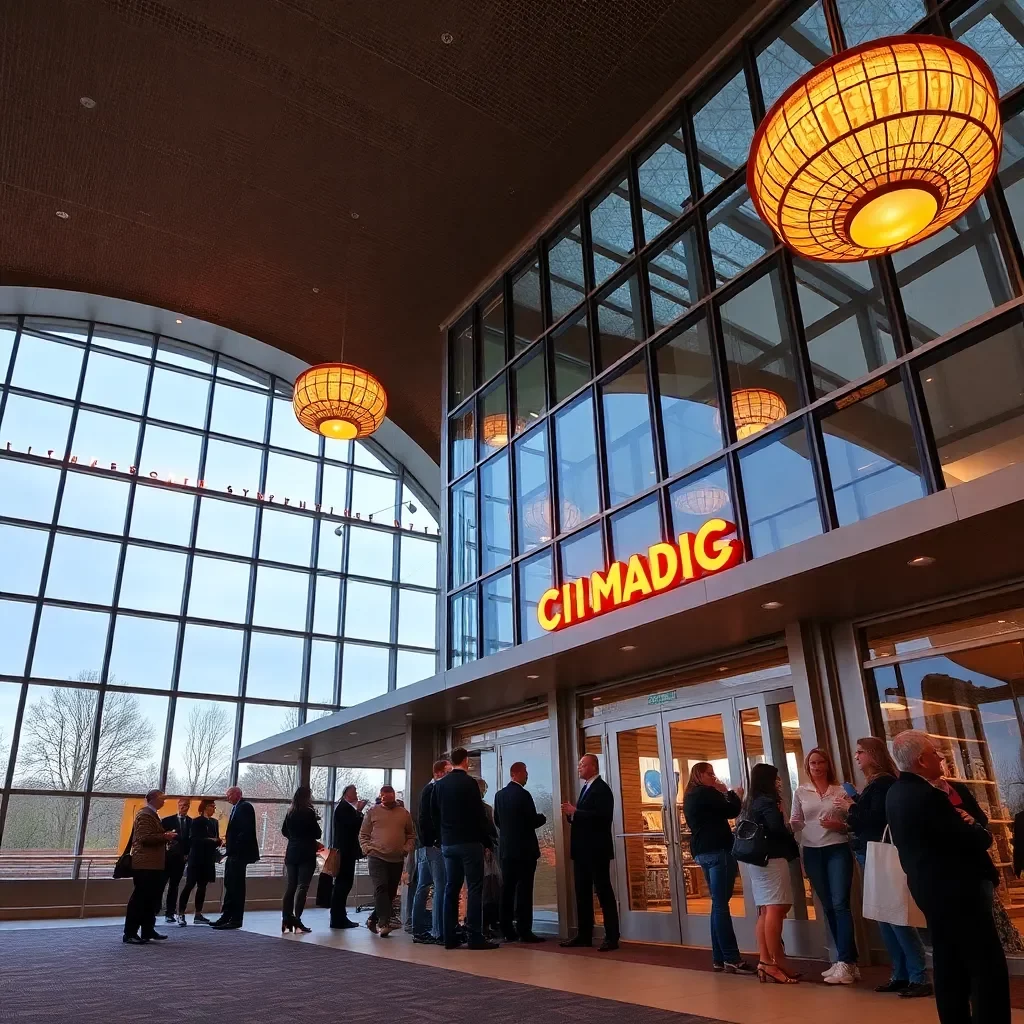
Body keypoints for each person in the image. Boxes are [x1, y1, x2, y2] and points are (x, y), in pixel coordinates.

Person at [887, 729, 1009, 1024]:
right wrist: (975, 829)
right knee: (985, 964)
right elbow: (973, 840)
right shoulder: (926, 796)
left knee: (949, 961)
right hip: (956, 891)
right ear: (921, 761)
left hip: (930, 889)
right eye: (933, 753)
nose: (939, 757)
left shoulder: (896, 793)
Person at [846, 737, 930, 998]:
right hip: (870, 851)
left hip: (880, 852)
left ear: (872, 754)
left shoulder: (883, 783)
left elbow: (874, 821)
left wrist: (851, 807)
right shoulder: (875, 784)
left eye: (860, 752)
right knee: (883, 915)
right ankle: (900, 973)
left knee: (895, 914)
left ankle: (917, 975)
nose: (857, 757)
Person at [790, 748, 858, 985]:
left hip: (837, 848)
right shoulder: (801, 791)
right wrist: (792, 824)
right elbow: (796, 821)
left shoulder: (841, 790)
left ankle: (846, 962)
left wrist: (840, 826)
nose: (816, 767)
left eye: (820, 762)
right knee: (828, 906)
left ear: (828, 765)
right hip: (811, 851)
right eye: (812, 764)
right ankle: (845, 961)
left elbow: (855, 821)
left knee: (840, 904)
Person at [682, 762, 752, 973]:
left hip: (702, 851)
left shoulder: (690, 796)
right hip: (718, 850)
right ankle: (732, 957)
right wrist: (731, 792)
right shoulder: (707, 793)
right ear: (699, 775)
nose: (714, 778)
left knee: (717, 904)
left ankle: (718, 957)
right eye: (710, 774)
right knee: (721, 905)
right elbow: (732, 810)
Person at [430, 746, 498, 950]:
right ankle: (475, 936)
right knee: (475, 887)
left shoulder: (440, 785)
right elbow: (479, 815)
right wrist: (488, 840)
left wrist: (441, 837)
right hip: (469, 843)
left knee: (451, 887)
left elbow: (434, 814)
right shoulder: (469, 784)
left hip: (448, 843)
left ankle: (449, 936)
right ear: (466, 761)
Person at [742, 763, 799, 984]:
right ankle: (776, 962)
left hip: (757, 861)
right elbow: (776, 829)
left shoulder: (751, 802)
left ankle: (766, 961)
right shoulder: (767, 801)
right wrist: (791, 825)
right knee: (775, 908)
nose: (779, 781)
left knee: (766, 909)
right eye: (776, 778)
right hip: (771, 860)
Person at [560, 752, 620, 952]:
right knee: (582, 892)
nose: (579, 768)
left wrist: (576, 812)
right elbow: (584, 817)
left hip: (596, 850)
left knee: (603, 891)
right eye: (578, 765)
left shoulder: (601, 789)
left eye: (582, 765)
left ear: (594, 767)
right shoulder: (586, 788)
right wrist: (573, 815)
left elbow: (602, 818)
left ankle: (612, 936)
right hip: (582, 851)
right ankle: (584, 934)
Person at [493, 761, 546, 943]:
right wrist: (542, 818)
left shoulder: (499, 796)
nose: (527, 776)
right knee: (524, 890)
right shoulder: (523, 795)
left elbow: (497, 821)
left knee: (507, 890)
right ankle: (525, 930)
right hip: (525, 850)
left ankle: (507, 929)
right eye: (525, 772)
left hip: (507, 850)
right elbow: (531, 820)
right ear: (516, 774)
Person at [360, 784, 415, 937]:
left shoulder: (404, 813)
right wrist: (367, 848)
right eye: (384, 796)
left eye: (390, 796)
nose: (387, 799)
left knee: (390, 893)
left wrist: (406, 848)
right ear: (380, 796)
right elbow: (363, 834)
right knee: (381, 887)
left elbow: (411, 834)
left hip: (396, 858)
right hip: (376, 856)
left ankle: (373, 918)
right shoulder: (372, 812)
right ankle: (384, 923)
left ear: (394, 796)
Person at [123, 788, 177, 945]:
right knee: (140, 899)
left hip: (154, 864)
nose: (164, 800)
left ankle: (147, 929)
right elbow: (144, 838)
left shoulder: (152, 814)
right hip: (145, 864)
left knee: (151, 899)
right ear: (152, 798)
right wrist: (165, 836)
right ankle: (130, 933)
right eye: (161, 798)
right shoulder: (145, 814)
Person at [413, 759, 451, 944]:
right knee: (440, 886)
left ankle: (418, 929)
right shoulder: (433, 790)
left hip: (425, 846)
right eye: (448, 771)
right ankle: (437, 930)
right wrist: (434, 841)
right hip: (432, 846)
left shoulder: (428, 789)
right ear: (439, 773)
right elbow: (426, 818)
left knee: (423, 886)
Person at [212, 785, 259, 929]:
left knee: (236, 887)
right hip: (233, 853)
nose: (227, 798)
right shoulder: (236, 808)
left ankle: (236, 919)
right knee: (229, 884)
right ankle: (226, 915)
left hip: (239, 854)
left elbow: (245, 831)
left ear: (238, 794)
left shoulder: (245, 807)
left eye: (229, 795)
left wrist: (235, 846)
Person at [281, 785, 322, 934]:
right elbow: (317, 833)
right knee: (302, 886)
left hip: (291, 852)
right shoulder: (309, 812)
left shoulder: (290, 811)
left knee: (291, 886)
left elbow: (284, 831)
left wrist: (294, 839)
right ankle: (297, 919)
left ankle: (286, 919)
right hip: (306, 853)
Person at [329, 783, 367, 928]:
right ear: (347, 795)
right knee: (343, 884)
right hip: (345, 852)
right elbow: (353, 827)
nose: (357, 794)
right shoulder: (343, 809)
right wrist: (359, 811)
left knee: (343, 884)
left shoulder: (343, 808)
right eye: (354, 792)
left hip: (346, 851)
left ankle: (339, 916)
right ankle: (338, 918)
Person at [177, 798, 220, 925]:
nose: (214, 809)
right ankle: (180, 913)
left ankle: (198, 913)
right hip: (196, 859)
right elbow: (194, 840)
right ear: (206, 807)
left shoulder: (214, 822)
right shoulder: (196, 822)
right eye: (212, 806)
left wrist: (217, 842)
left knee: (202, 886)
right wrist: (211, 840)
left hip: (208, 859)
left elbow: (215, 838)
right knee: (189, 885)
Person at [160, 797, 191, 924]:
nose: (184, 807)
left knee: (174, 886)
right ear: (178, 805)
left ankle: (170, 913)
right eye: (182, 805)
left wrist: (187, 854)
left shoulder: (191, 822)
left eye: (186, 805)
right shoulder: (167, 821)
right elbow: (160, 837)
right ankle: (155, 910)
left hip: (180, 859)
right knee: (161, 885)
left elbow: (190, 841)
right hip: (166, 858)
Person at [477, 776, 502, 940]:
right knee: (486, 889)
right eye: (484, 788)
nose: (485, 791)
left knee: (484, 889)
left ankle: (484, 923)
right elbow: (490, 829)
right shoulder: (484, 809)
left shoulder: (483, 808)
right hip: (483, 851)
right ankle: (485, 924)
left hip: (479, 850)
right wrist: (489, 845)